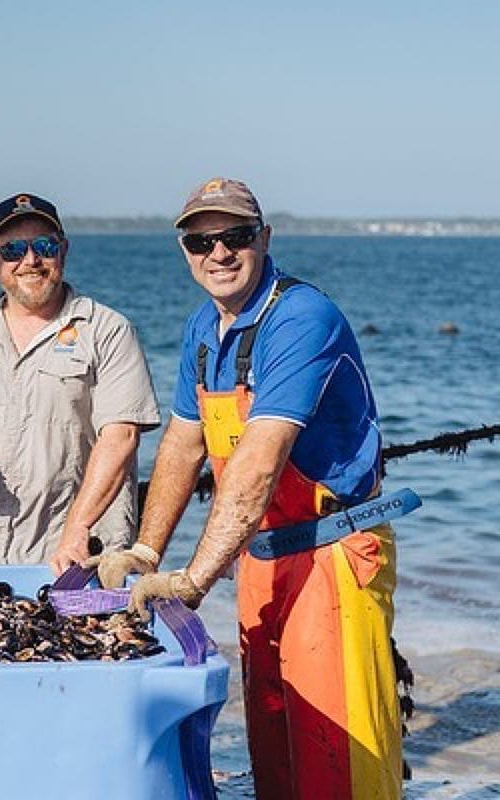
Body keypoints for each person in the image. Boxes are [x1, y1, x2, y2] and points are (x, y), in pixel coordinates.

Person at [93, 177, 403, 799]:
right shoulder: (203, 330)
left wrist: (193, 581)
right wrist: (147, 552)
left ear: (264, 238)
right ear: (184, 250)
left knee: (340, 760)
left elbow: (259, 462)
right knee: (275, 752)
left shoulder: (301, 317)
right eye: (200, 241)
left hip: (333, 555)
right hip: (259, 557)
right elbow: (183, 444)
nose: (219, 253)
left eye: (235, 235)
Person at [0, 193, 160, 567]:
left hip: (80, 555)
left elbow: (122, 438)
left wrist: (77, 529)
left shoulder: (108, 331)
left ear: (64, 250)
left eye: (44, 246)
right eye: (13, 250)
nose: (30, 260)